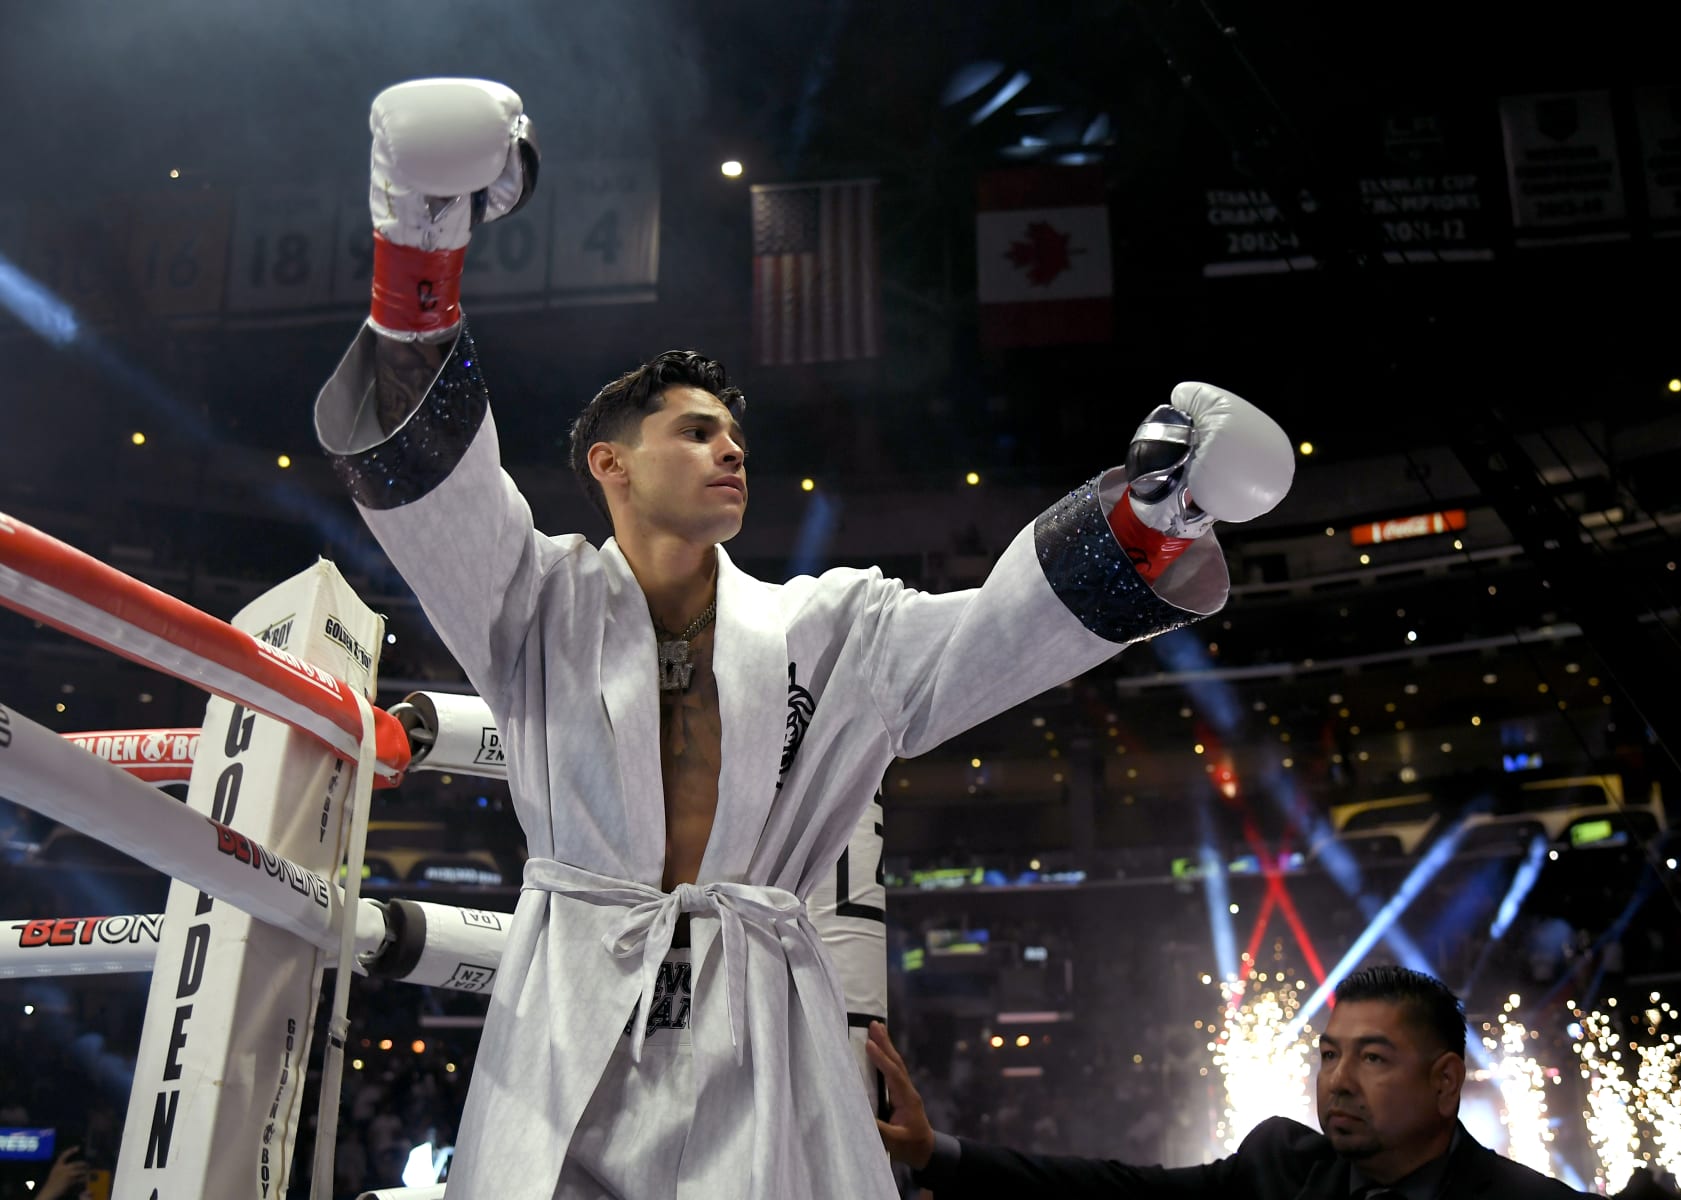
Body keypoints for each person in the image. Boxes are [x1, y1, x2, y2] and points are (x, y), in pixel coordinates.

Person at [313, 78, 1292, 1199]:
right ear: (609, 463)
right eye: (695, 431)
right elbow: (440, 499)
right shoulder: (533, 600)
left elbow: (995, 635)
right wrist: (418, 252)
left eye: (736, 434)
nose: (732, 452)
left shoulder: (834, 629)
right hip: (569, 1011)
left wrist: (1154, 519)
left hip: (761, 1026)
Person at [868, 964, 1594, 1198]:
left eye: (1372, 1058)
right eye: (1329, 1055)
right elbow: (1118, 1192)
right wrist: (941, 1155)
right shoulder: (1279, 1168)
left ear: (1445, 1083)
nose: (1338, 1081)